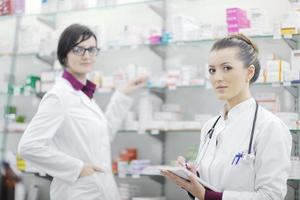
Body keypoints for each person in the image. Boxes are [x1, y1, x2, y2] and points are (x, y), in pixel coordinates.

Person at [18, 23, 148, 200]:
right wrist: (77, 168)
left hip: (101, 190)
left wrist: (122, 94)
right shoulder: (58, 96)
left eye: (92, 49)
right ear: (64, 54)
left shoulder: (83, 94)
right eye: (78, 49)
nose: (86, 56)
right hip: (77, 192)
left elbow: (103, 135)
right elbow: (29, 147)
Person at [161, 34, 292, 200]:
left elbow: (271, 196)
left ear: (249, 72)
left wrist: (207, 196)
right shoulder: (210, 126)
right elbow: (212, 184)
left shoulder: (270, 127)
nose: (217, 78)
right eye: (212, 70)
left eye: (227, 68)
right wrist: (193, 177)